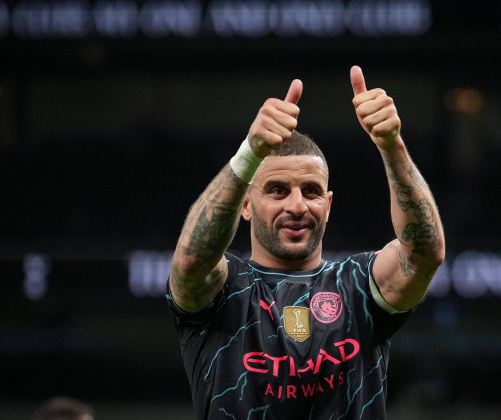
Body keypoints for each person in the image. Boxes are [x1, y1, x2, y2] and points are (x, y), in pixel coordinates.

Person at [167, 65, 445, 419]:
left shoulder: (359, 284)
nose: (297, 206)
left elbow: (424, 254)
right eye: (277, 190)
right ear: (246, 206)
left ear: (327, 206)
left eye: (311, 192)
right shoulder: (225, 290)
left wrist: (392, 145)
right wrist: (248, 154)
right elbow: (191, 262)